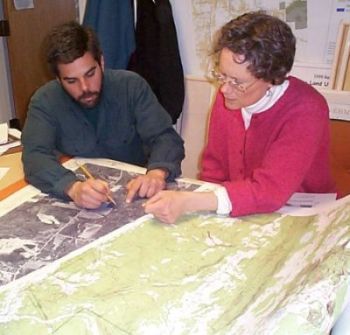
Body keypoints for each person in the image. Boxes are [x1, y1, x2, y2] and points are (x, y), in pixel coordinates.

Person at [144, 11, 336, 224]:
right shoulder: (229, 96)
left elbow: (270, 191)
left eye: (237, 81)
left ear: (273, 78)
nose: (225, 89)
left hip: (302, 215)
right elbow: (213, 169)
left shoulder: (307, 109)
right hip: (241, 208)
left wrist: (190, 201)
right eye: (222, 75)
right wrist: (204, 214)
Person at [21, 21, 185, 209]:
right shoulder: (45, 100)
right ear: (58, 80)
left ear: (102, 62)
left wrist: (156, 173)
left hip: (137, 193)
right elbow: (34, 156)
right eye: (72, 81)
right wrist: (72, 188)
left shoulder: (131, 86)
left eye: (90, 74)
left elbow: (165, 138)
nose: (85, 88)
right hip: (81, 191)